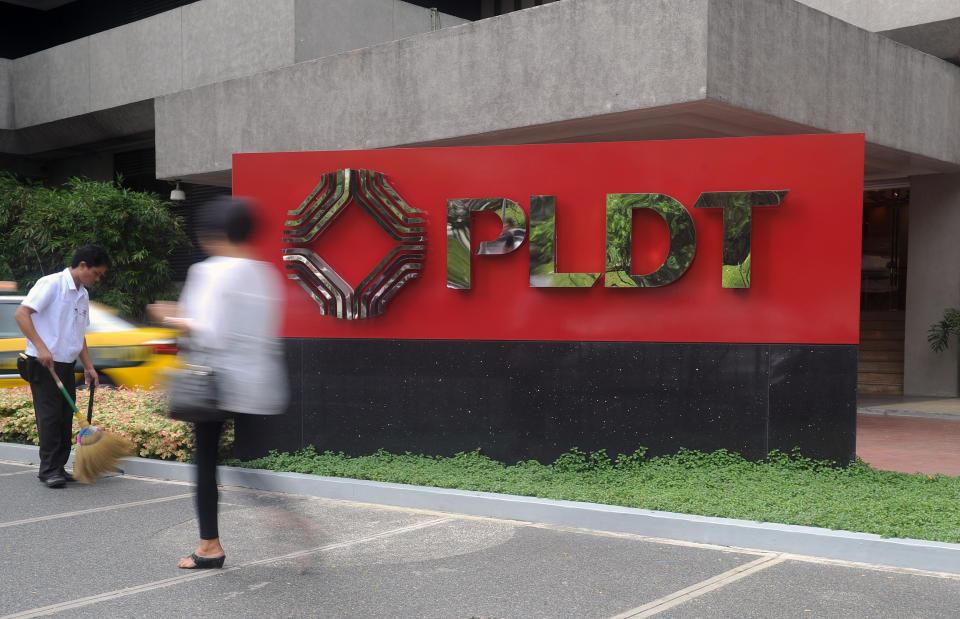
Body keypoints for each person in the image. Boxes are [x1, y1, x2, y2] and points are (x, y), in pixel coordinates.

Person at [148, 196, 287, 570]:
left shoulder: (211, 271)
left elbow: (210, 332)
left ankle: (210, 546)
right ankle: (284, 515)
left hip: (213, 385)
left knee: (206, 463)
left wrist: (171, 316)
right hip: (258, 385)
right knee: (246, 459)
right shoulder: (264, 272)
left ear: (213, 234)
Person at [15, 245, 110, 488]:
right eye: (96, 273)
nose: (97, 279)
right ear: (82, 266)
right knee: (49, 418)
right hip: (43, 362)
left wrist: (89, 367)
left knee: (65, 417)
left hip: (67, 364)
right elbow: (22, 314)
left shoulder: (83, 294)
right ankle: (48, 470)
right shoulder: (51, 284)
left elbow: (80, 334)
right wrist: (42, 347)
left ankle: (59, 466)